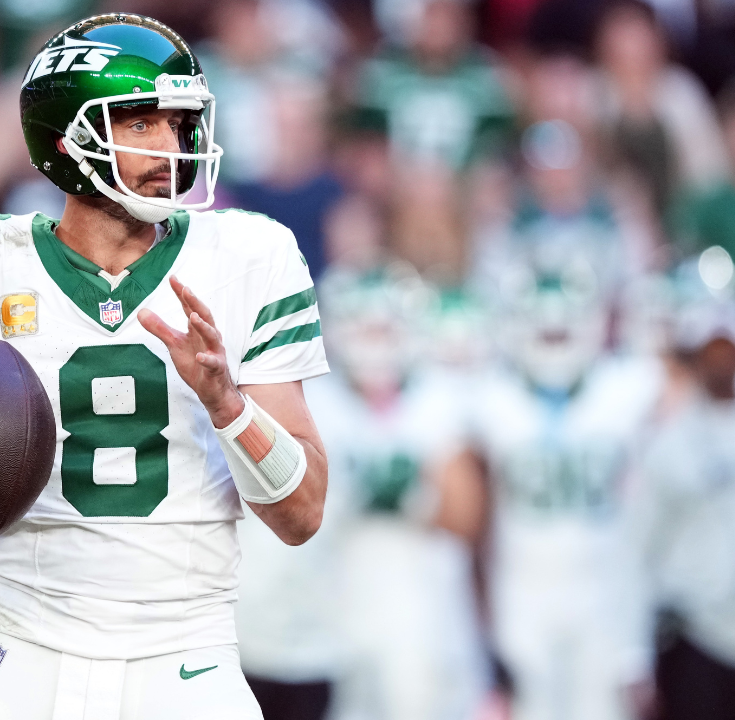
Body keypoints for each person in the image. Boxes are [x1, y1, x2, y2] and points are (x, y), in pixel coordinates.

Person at [0, 13, 330, 720]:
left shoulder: (251, 257)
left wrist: (228, 405)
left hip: (185, 650)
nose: (171, 147)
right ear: (64, 138)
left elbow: (302, 514)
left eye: (179, 124)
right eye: (140, 124)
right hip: (23, 643)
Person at [469, 267, 663, 720]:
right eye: (544, 331)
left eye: (564, 330)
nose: (554, 340)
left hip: (605, 588)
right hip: (521, 587)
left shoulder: (628, 387)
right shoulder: (490, 397)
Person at [311, 267, 487, 720]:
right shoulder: (315, 400)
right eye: (365, 328)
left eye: (386, 328)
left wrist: (413, 500)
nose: (376, 341)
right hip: (336, 607)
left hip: (425, 609)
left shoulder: (439, 395)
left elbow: (467, 517)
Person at [633, 299, 735, 720]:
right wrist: (636, 649)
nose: (722, 364)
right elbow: (641, 546)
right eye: (712, 353)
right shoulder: (669, 442)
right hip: (697, 635)